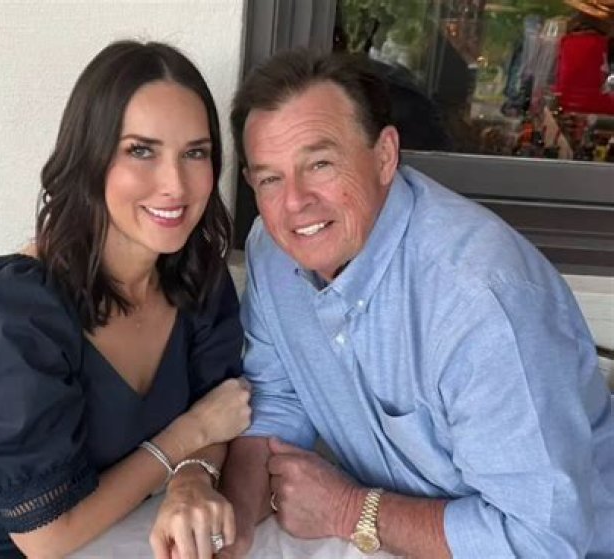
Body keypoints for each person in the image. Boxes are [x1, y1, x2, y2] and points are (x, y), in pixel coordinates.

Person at [218, 49, 614, 558]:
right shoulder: (273, 251)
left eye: (320, 164)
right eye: (270, 178)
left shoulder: (480, 302)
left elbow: (543, 540)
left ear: (385, 156)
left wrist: (349, 510)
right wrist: (231, 530)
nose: (295, 203)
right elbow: (277, 400)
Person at [0, 40, 251, 559]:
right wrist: (186, 437)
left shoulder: (197, 281)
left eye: (195, 153)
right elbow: (47, 535)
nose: (175, 184)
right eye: (141, 150)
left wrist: (192, 478)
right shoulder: (14, 311)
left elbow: (224, 410)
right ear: (91, 157)